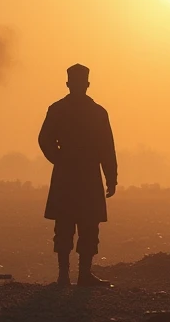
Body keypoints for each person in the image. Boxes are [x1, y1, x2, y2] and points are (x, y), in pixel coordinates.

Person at [38, 64, 117, 287]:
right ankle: (80, 275)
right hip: (88, 176)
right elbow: (107, 148)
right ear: (86, 84)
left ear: (69, 84)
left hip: (68, 175)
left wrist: (59, 159)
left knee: (69, 225)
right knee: (86, 225)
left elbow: (45, 140)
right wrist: (110, 177)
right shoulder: (97, 112)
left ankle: (67, 276)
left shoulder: (58, 109)